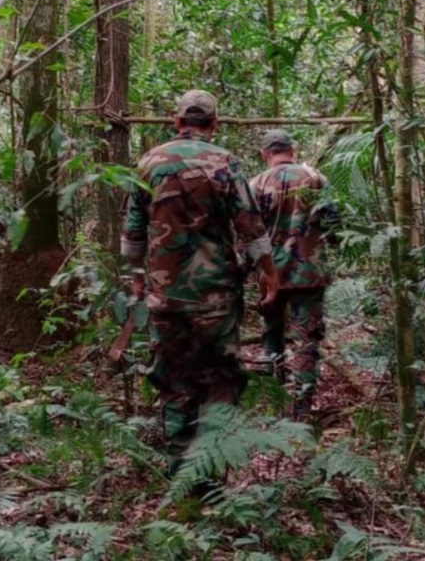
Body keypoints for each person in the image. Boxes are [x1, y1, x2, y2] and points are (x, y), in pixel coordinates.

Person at [121, 90, 279, 475]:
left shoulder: (148, 163)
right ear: (214, 124)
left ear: (176, 122)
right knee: (220, 380)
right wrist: (269, 272)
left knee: (175, 380)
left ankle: (181, 471)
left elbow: (132, 231)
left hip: (165, 296)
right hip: (216, 297)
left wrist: (136, 278)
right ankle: (209, 478)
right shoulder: (225, 162)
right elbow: (250, 226)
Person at [250, 129, 338, 419]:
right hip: (308, 271)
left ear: (266, 154)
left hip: (269, 272)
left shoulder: (256, 184)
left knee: (271, 332)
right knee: (306, 338)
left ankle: (273, 397)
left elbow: (247, 229)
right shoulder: (315, 178)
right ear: (292, 150)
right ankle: (302, 405)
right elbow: (334, 221)